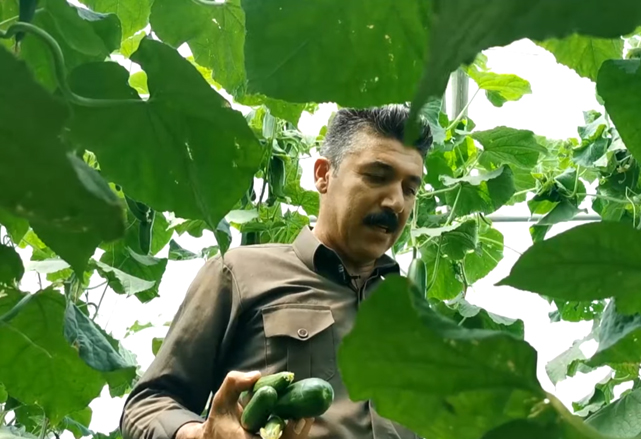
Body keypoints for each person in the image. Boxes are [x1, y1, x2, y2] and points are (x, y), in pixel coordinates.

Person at [119, 104, 433, 439]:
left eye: (410, 188)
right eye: (377, 176)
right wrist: (196, 435)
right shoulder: (238, 273)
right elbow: (146, 405)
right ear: (324, 175)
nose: (396, 202)